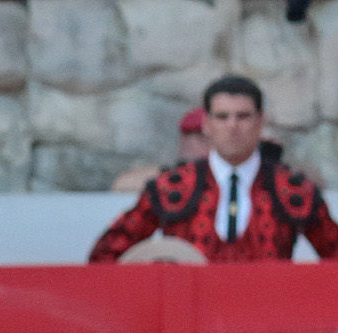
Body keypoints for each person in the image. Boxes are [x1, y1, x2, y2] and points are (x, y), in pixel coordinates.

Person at [91, 75, 338, 263]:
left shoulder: (292, 189)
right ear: (207, 124)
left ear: (260, 121)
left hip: (268, 320)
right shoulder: (172, 185)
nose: (232, 126)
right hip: (187, 321)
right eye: (222, 117)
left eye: (243, 116)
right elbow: (105, 255)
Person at [111, 108, 210, 194]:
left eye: (205, 139)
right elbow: (121, 185)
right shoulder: (168, 173)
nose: (190, 144)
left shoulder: (221, 176)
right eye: (186, 136)